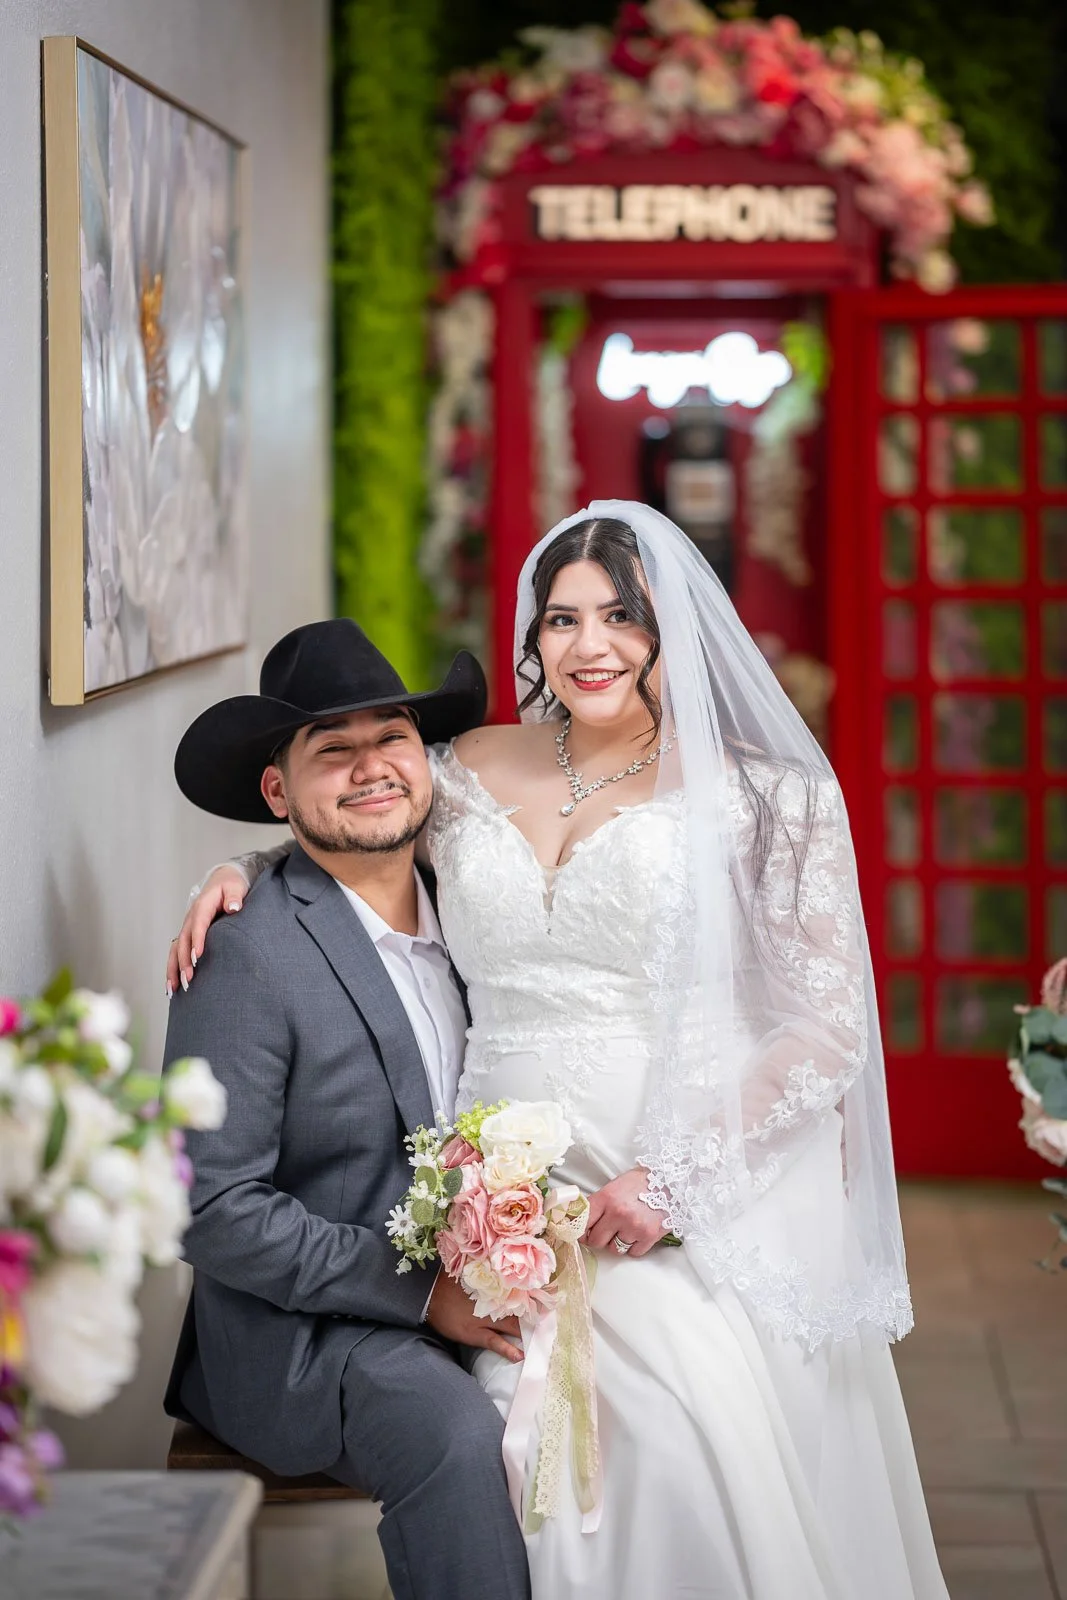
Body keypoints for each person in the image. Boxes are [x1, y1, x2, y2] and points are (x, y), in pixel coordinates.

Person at [172, 503, 948, 1600]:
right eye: (560, 620)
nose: (589, 645)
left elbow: (826, 1026)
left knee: (673, 1435)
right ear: (530, 641)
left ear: (669, 630)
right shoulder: (467, 771)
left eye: (619, 617)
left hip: (669, 1183)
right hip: (503, 1200)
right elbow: (353, 808)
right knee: (512, 1439)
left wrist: (673, 1178)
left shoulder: (772, 797)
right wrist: (246, 875)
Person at [162, 618, 531, 1600]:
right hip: (314, 1329)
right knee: (459, 1440)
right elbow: (209, 1206)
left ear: (427, 760)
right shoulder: (244, 954)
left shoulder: (474, 898)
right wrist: (421, 1294)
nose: (370, 767)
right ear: (278, 790)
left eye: (391, 739)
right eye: (333, 749)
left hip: (483, 1275)